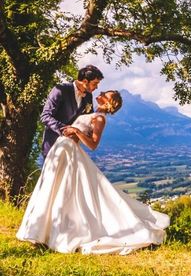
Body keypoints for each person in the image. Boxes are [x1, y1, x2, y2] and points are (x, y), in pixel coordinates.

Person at [17, 90, 170, 255]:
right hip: (61, 149)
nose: (101, 92)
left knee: (63, 192)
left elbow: (93, 144)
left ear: (107, 102)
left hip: (69, 151)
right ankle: (40, 232)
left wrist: (76, 132)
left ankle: (54, 235)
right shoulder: (92, 112)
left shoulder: (99, 119)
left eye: (105, 94)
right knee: (50, 189)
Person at [41, 65, 103, 158]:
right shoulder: (61, 89)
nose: (97, 87)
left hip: (72, 147)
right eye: (95, 84)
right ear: (85, 81)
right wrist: (65, 129)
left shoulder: (88, 97)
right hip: (53, 145)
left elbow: (88, 120)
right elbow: (45, 116)